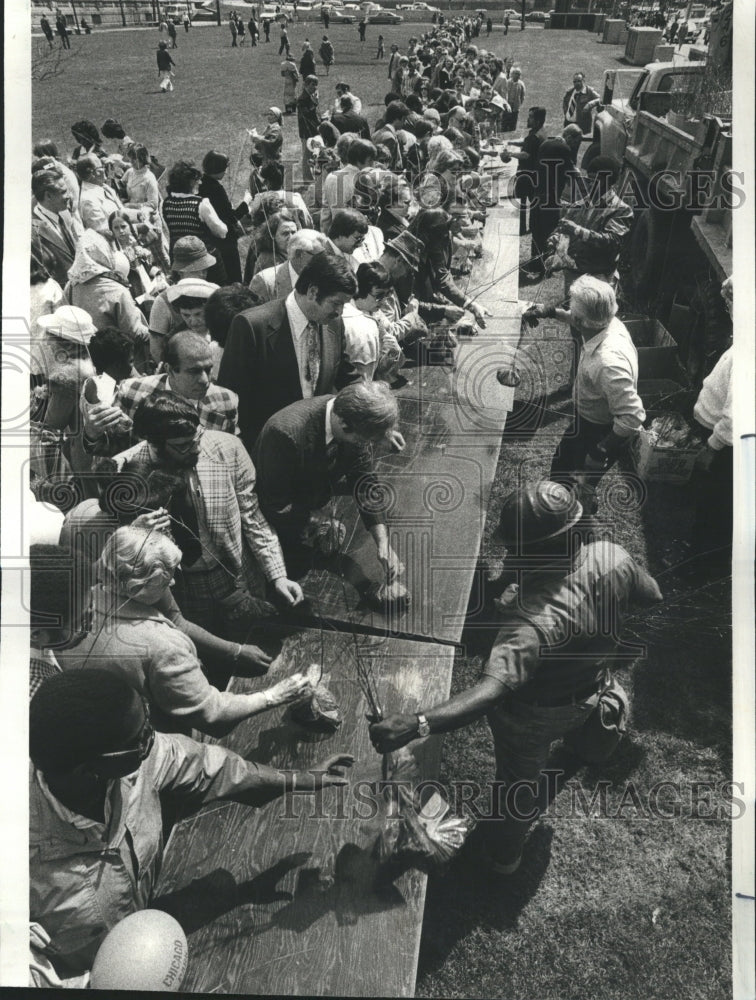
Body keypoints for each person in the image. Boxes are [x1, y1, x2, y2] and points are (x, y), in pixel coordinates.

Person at [370, 480, 662, 873]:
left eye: (513, 547)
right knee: (584, 725)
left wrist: (417, 723)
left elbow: (491, 692)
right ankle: (585, 748)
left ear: (531, 550)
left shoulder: (529, 623)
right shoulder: (612, 555)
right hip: (592, 686)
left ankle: (504, 857)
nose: (508, 552)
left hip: (533, 717)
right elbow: (653, 595)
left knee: (516, 787)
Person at [29, 669, 353, 977]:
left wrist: (297, 779)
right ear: (89, 769)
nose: (151, 740)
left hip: (153, 936)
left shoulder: (137, 761)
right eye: (139, 739)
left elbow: (212, 767)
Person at [62, 526, 313, 737]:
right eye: (167, 576)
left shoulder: (83, 605)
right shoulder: (162, 645)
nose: (172, 582)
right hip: (154, 738)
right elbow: (212, 714)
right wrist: (273, 696)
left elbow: (175, 619)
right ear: (138, 585)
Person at [109, 393, 304, 633]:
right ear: (155, 444)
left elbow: (253, 517)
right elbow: (117, 553)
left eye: (198, 437)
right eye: (183, 446)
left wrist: (278, 576)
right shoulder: (126, 471)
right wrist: (136, 532)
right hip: (180, 587)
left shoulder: (229, 448)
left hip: (235, 575)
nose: (197, 449)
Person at [255, 381, 404, 581]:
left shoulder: (352, 419)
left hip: (314, 498)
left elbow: (365, 486)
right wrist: (315, 519)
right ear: (344, 425)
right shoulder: (283, 433)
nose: (364, 446)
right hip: (277, 523)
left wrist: (383, 543)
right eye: (362, 441)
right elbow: (274, 504)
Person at [525, 276, 645, 513]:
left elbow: (632, 417)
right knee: (563, 466)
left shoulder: (608, 364)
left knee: (575, 479)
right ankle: (575, 503)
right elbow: (577, 318)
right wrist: (549, 311)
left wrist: (600, 451)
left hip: (599, 432)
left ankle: (573, 519)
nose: (570, 313)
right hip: (586, 421)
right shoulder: (608, 322)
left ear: (582, 321)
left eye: (572, 310)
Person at [219, 252, 360, 453]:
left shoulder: (333, 325)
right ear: (312, 292)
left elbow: (347, 377)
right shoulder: (251, 326)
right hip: (265, 453)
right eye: (336, 303)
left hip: (315, 454)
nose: (340, 312)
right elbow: (230, 399)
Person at [690, 276, 733, 564]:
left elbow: (735, 415)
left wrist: (711, 448)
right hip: (722, 439)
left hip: (724, 445)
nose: (728, 308)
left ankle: (700, 562)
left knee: (712, 503)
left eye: (731, 303)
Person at [63, 230, 150, 358]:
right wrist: (155, 334)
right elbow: (134, 332)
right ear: (104, 253)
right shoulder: (116, 290)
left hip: (87, 358)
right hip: (117, 362)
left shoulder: (70, 286)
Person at [523, 123, 583, 282]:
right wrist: (585, 190)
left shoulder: (546, 143)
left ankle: (536, 264)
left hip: (537, 192)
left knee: (536, 229)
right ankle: (547, 265)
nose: (576, 145)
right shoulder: (563, 149)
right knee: (549, 230)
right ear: (569, 137)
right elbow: (572, 172)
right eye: (577, 141)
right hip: (550, 196)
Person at [162, 160, 228, 285]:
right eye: (197, 179)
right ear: (190, 181)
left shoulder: (166, 203)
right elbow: (222, 232)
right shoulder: (201, 203)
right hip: (204, 261)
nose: (200, 182)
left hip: (179, 260)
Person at [249, 227, 331, 304]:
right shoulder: (264, 281)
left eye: (325, 255)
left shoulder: (323, 278)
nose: (324, 260)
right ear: (299, 254)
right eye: (319, 256)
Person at [31, 170, 85, 288]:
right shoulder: (33, 231)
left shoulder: (64, 214)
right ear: (48, 196)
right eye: (64, 192)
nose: (69, 196)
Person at [499, 106, 547, 237]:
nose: (528, 119)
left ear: (537, 120)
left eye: (531, 117)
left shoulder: (535, 136)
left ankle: (521, 228)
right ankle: (531, 226)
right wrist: (511, 142)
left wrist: (510, 154)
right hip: (535, 173)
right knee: (532, 202)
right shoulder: (538, 132)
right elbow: (525, 142)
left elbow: (526, 154)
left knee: (522, 201)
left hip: (528, 174)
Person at [199, 151, 244, 284]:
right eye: (223, 169)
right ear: (217, 169)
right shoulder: (216, 189)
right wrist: (246, 203)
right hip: (225, 241)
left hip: (209, 239)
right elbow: (231, 217)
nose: (225, 172)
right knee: (233, 275)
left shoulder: (200, 184)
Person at [320, 138, 377, 235]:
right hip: (347, 237)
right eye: (370, 161)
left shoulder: (333, 176)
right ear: (359, 161)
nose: (373, 165)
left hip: (342, 235)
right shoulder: (345, 179)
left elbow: (326, 212)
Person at [297, 75, 322, 182]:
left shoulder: (311, 96)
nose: (315, 87)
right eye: (312, 84)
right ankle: (307, 179)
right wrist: (315, 104)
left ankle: (311, 176)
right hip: (307, 132)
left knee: (314, 153)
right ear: (306, 85)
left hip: (314, 130)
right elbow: (306, 114)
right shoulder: (302, 98)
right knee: (307, 155)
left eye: (316, 84)